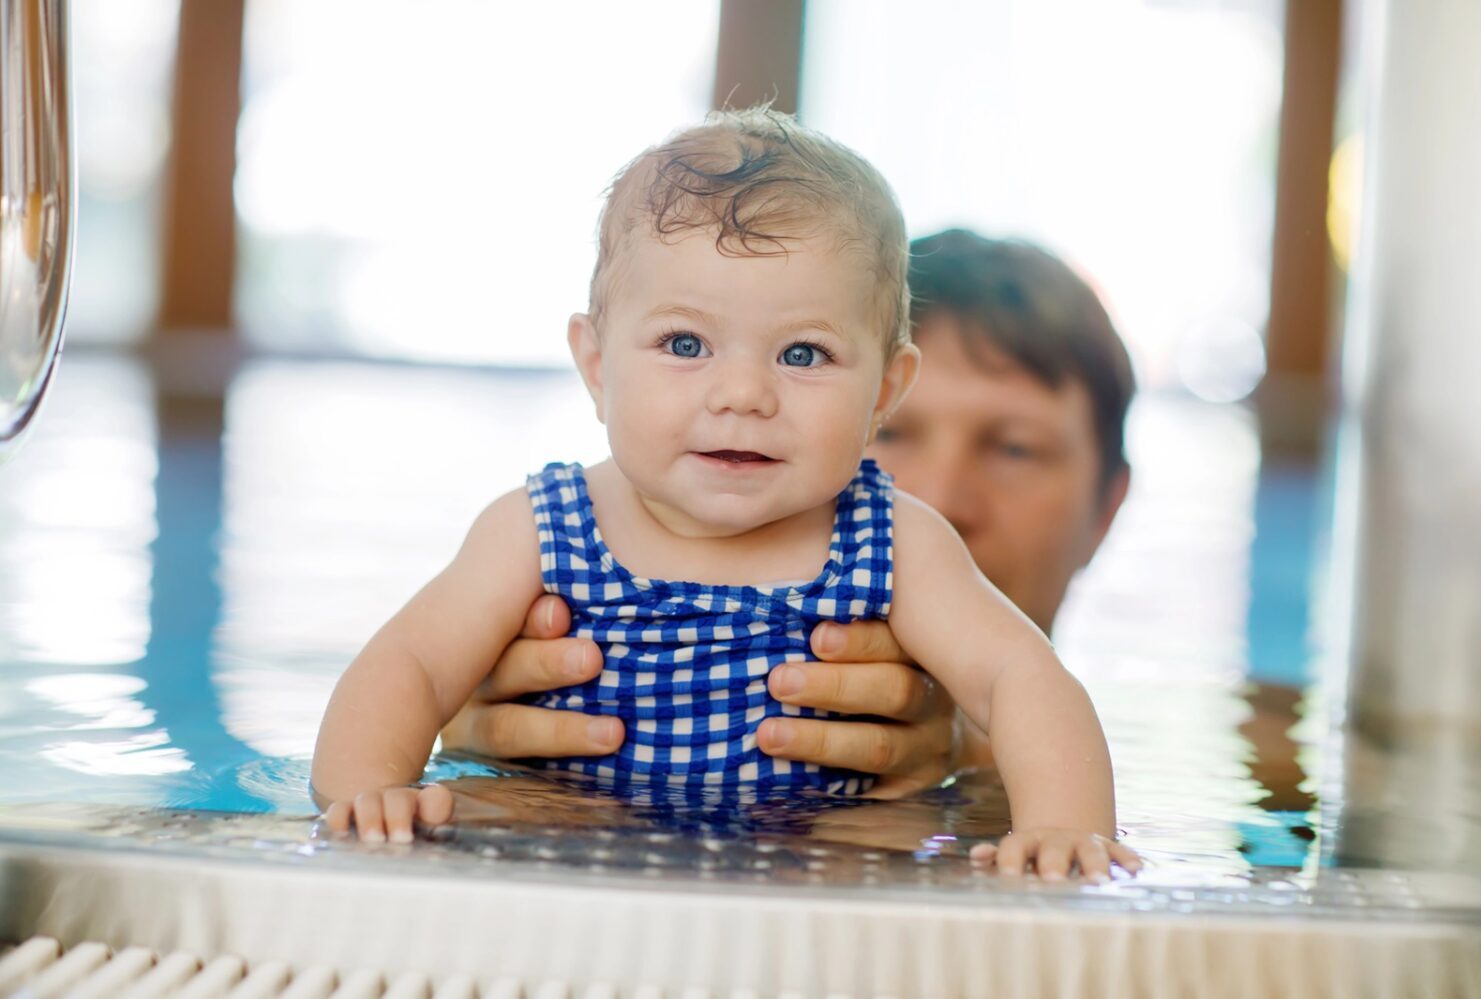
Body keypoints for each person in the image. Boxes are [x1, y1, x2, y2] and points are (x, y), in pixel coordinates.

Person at [313, 108, 1140, 881]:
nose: (743, 393)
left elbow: (1020, 676)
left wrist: (1068, 827)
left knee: (883, 844)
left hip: (821, 855)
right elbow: (411, 662)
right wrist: (369, 790)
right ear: (597, 365)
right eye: (685, 343)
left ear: (885, 390)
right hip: (561, 829)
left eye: (804, 355)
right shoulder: (537, 528)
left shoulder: (897, 541)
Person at [441, 230, 1136, 791]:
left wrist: (970, 763)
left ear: (1108, 510)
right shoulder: (548, 551)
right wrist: (468, 740)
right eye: (890, 435)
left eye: (1014, 448)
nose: (941, 497)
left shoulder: (1240, 752)